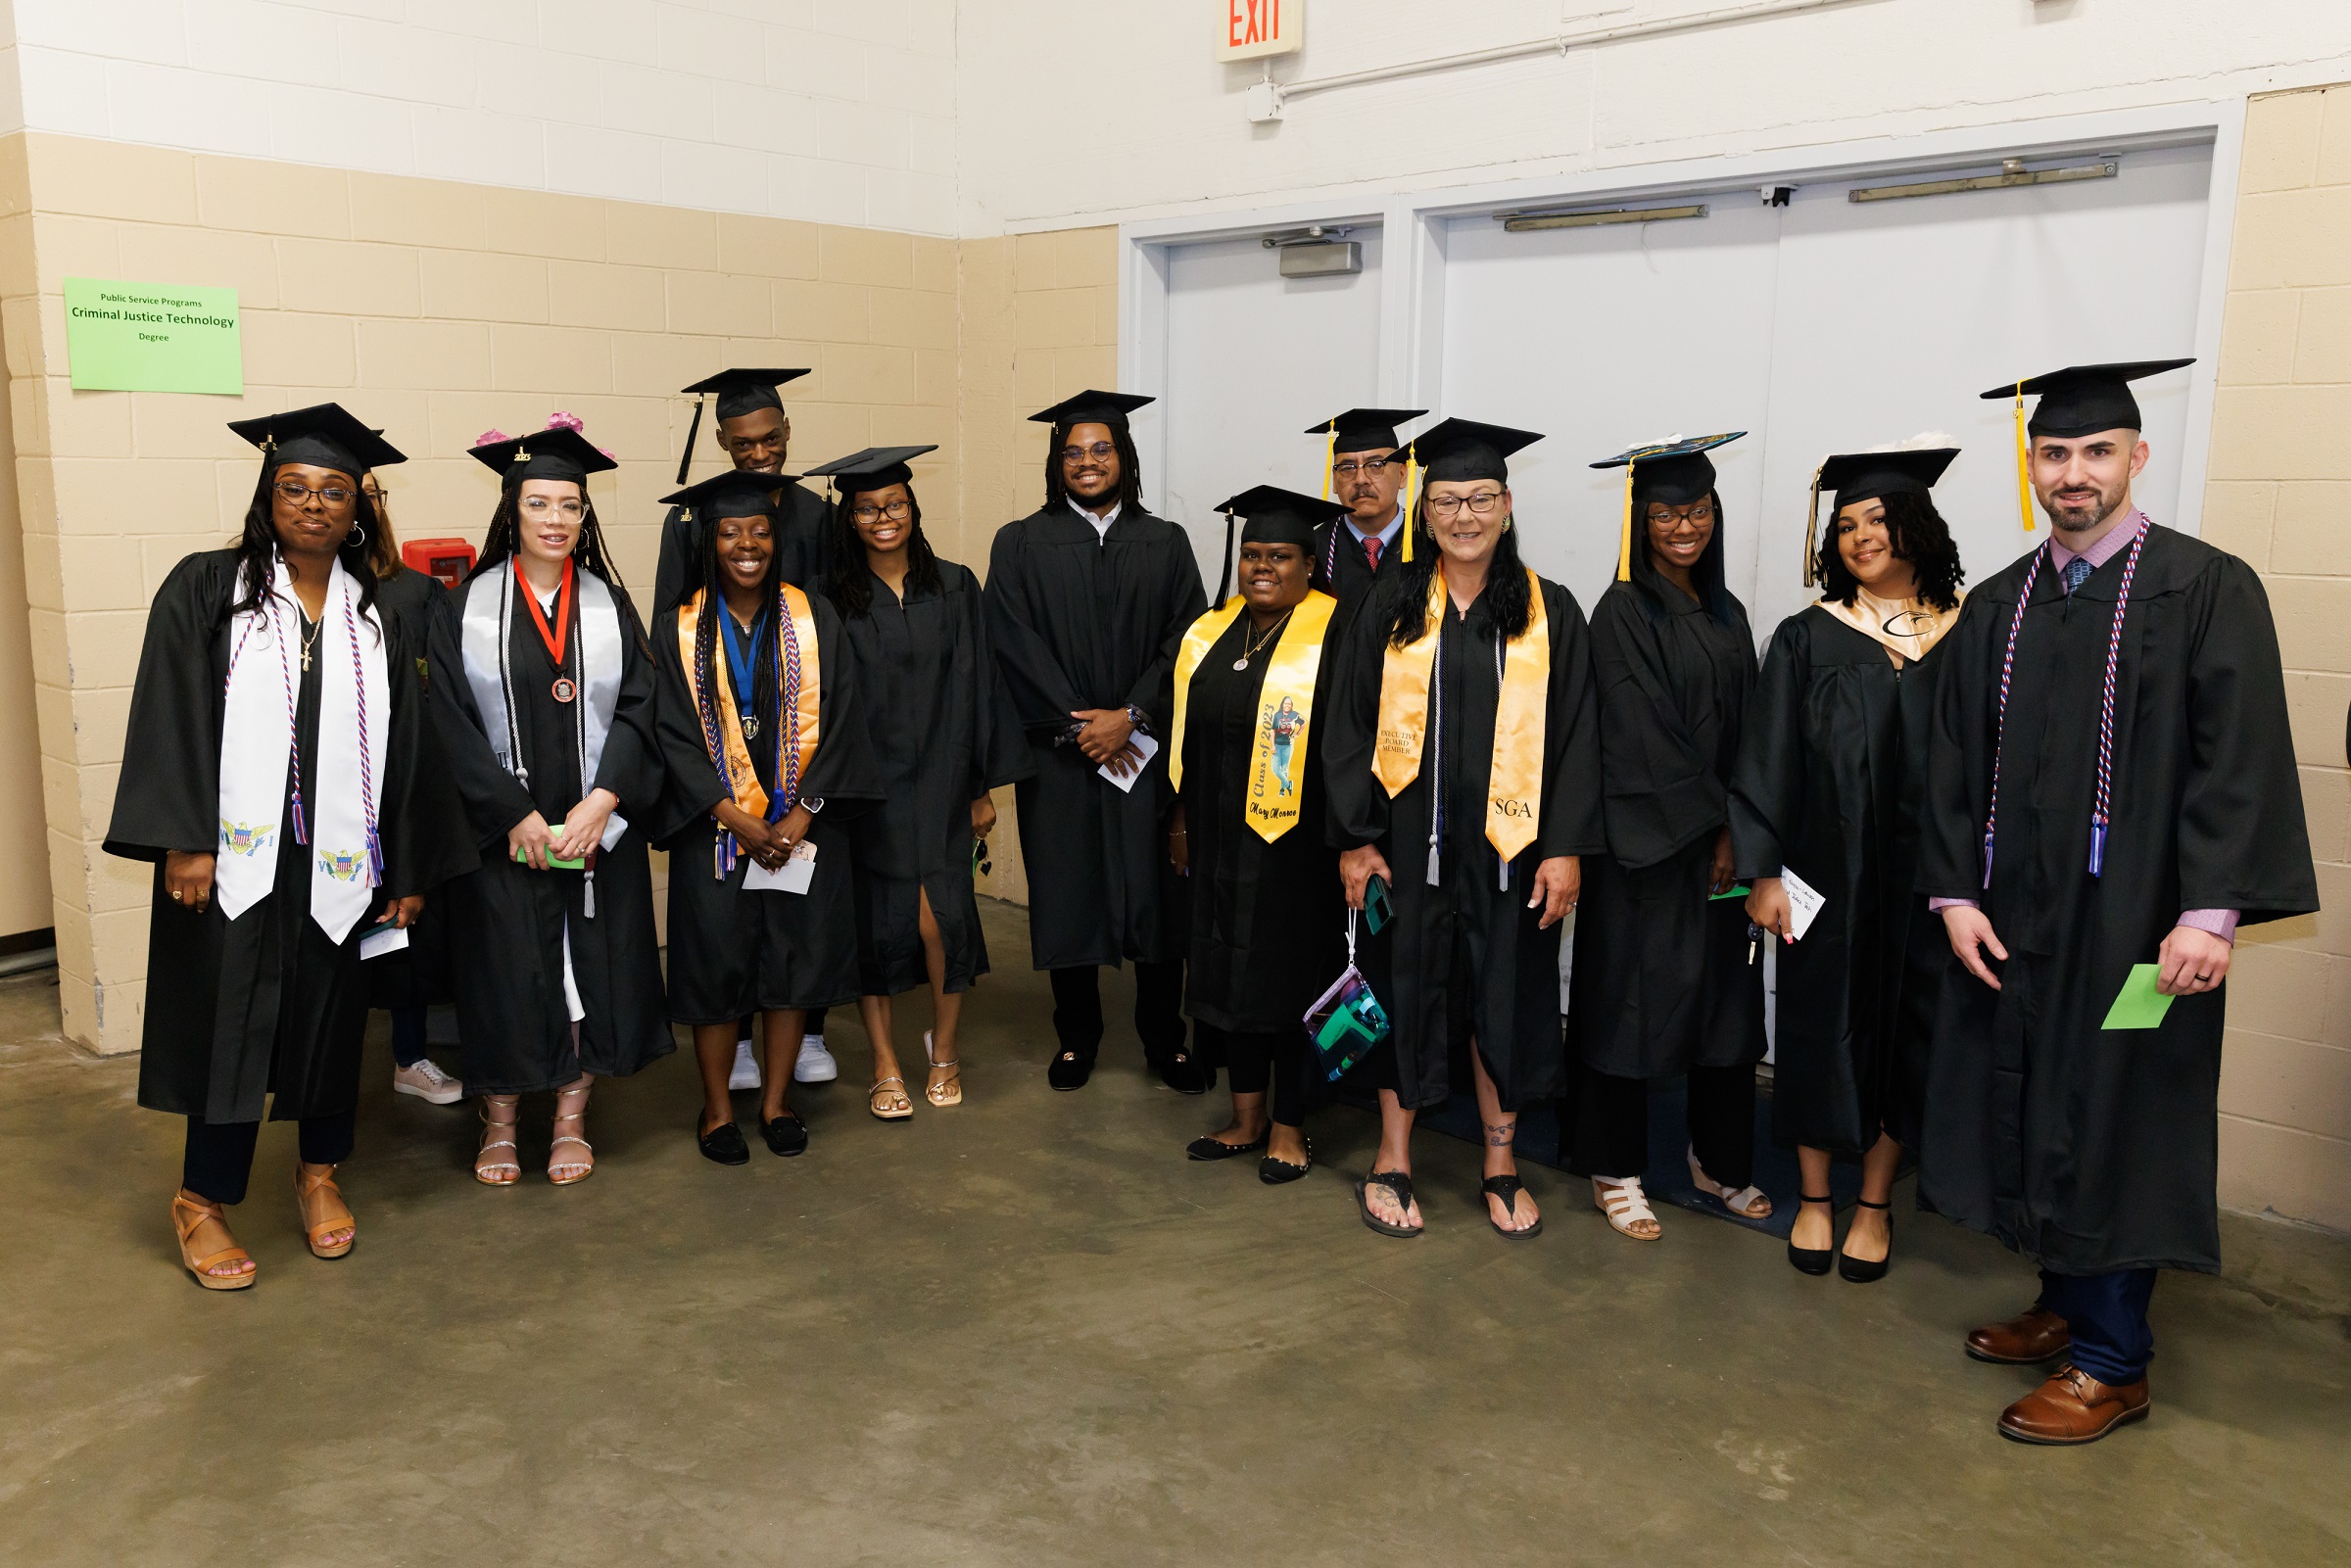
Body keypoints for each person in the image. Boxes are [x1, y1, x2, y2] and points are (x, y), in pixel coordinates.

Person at [1921, 359, 2315, 1444]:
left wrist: (2212, 911)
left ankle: (2114, 1361)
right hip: (2020, 919)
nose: (2074, 473)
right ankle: (2065, 1301)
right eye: (2055, 453)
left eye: (2097, 452)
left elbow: (2239, 759)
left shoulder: (2205, 587)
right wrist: (1954, 891)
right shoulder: (2003, 603)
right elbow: (1951, 758)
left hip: (2145, 929)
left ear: (2138, 458)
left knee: (2120, 1112)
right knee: (2040, 1094)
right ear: (2032, 466)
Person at [106, 404, 472, 1289]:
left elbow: (414, 744)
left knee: (330, 1022)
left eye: (333, 491)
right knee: (229, 1024)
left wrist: (407, 867)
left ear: (360, 507)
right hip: (236, 859)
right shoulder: (209, 587)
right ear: (269, 496)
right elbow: (172, 713)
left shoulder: (382, 608)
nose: (314, 504)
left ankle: (319, 1173)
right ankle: (202, 1197)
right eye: (296, 488)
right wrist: (184, 842)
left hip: (340, 861)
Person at [1323, 418, 1605, 1240]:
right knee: (1402, 985)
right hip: (1406, 849)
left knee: (1507, 996)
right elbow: (1347, 721)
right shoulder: (1393, 600)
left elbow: (1578, 733)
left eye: (1481, 498)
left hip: (1510, 852)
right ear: (1426, 508)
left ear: (1508, 505)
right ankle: (1393, 1156)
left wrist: (1565, 848)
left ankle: (1501, 1161)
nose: (1465, 515)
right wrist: (1356, 835)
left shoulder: (1551, 610)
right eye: (1447, 499)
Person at [1728, 443, 1967, 1280]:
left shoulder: (1968, 631)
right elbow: (1766, 761)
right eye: (1846, 524)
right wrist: (1760, 872)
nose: (1860, 535)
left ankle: (1874, 1202)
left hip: (1933, 882)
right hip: (1820, 880)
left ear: (1917, 524)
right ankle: (1816, 1198)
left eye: (1877, 517)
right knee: (1816, 1027)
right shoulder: (1805, 639)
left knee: (1910, 1030)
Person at [430, 418, 671, 1187]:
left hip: (594, 829)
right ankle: (498, 1119)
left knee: (589, 968)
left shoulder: (608, 603)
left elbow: (641, 703)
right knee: (503, 969)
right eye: (540, 504)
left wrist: (604, 800)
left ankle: (571, 1115)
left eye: (571, 505)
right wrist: (512, 812)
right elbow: (449, 725)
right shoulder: (464, 607)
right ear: (512, 511)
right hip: (506, 832)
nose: (557, 520)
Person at [1568, 434, 1770, 1241]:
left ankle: (1716, 1161)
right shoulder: (1621, 611)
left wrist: (1744, 831)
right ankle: (1614, 1168)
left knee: (1723, 1011)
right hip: (1645, 855)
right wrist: (1715, 821)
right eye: (1665, 514)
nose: (1683, 526)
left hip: (1720, 853)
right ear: (1639, 521)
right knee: (1630, 1006)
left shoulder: (1730, 613)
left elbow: (1755, 731)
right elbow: (1637, 732)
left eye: (1697, 510)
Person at [651, 470, 881, 1163]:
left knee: (791, 963)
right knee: (719, 969)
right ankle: (718, 1111)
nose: (746, 543)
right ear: (709, 541)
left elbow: (842, 718)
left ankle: (777, 1103)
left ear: (776, 540)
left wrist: (803, 811)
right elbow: (669, 733)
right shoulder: (677, 628)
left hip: (797, 832)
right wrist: (733, 814)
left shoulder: (815, 618)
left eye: (759, 531)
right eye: (730, 531)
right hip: (716, 834)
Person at [984, 391, 1210, 1092]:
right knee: (1067, 887)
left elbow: (1189, 640)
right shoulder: (1019, 541)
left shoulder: (1165, 541)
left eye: (1101, 449)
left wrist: (1133, 714)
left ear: (1124, 457)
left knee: (1155, 893)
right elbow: (1011, 640)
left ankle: (1163, 1038)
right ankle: (1077, 1036)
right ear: (1057, 462)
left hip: (1142, 751)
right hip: (1060, 752)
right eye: (1073, 452)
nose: (1087, 462)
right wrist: (1082, 724)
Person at [813, 446, 1031, 1117]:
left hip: (941, 778)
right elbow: (824, 704)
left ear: (913, 507)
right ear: (849, 517)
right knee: (876, 926)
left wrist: (980, 786)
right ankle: (883, 1060)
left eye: (896, 504)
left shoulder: (957, 586)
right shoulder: (830, 600)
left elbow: (981, 687)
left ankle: (944, 1049)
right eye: (869, 508)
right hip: (867, 788)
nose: (885, 517)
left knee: (945, 922)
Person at [653, 367, 842, 1092]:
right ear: (726, 444)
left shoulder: (815, 514)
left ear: (787, 434)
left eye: (769, 439)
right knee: (721, 921)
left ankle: (809, 1027)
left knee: (798, 917)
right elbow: (675, 623)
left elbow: (828, 622)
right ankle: (732, 1042)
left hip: (796, 715)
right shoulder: (691, 520)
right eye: (743, 443)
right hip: (720, 719)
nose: (759, 452)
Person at [1170, 486, 1353, 1182]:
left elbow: (1346, 745)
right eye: (1251, 555)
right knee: (1228, 976)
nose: (1262, 567)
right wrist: (1181, 821)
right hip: (1220, 845)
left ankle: (1290, 1123)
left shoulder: (1333, 632)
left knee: (1289, 981)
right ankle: (1245, 1117)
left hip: (1297, 851)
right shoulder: (1215, 631)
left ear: (1310, 564)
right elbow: (1189, 736)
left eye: (1279, 555)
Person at [358, 467, 465, 1106]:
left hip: (407, 783)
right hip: (338, 797)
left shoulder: (419, 593)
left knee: (408, 932)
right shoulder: (307, 592)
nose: (359, 504)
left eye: (370, 492)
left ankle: (410, 1054)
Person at [1304, 407, 1424, 616]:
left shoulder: (1430, 544)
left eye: (1376, 465)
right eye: (1347, 467)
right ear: (1334, 481)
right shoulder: (1313, 551)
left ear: (1403, 474)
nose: (1360, 479)